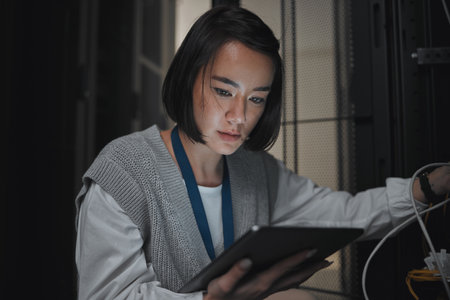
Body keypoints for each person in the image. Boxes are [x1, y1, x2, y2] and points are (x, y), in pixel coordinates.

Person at [74, 5, 450, 300]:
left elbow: (341, 214)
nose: (239, 117)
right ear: (188, 78)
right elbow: (109, 295)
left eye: (256, 99)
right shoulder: (123, 172)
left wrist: (426, 189)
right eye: (223, 91)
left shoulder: (258, 171)